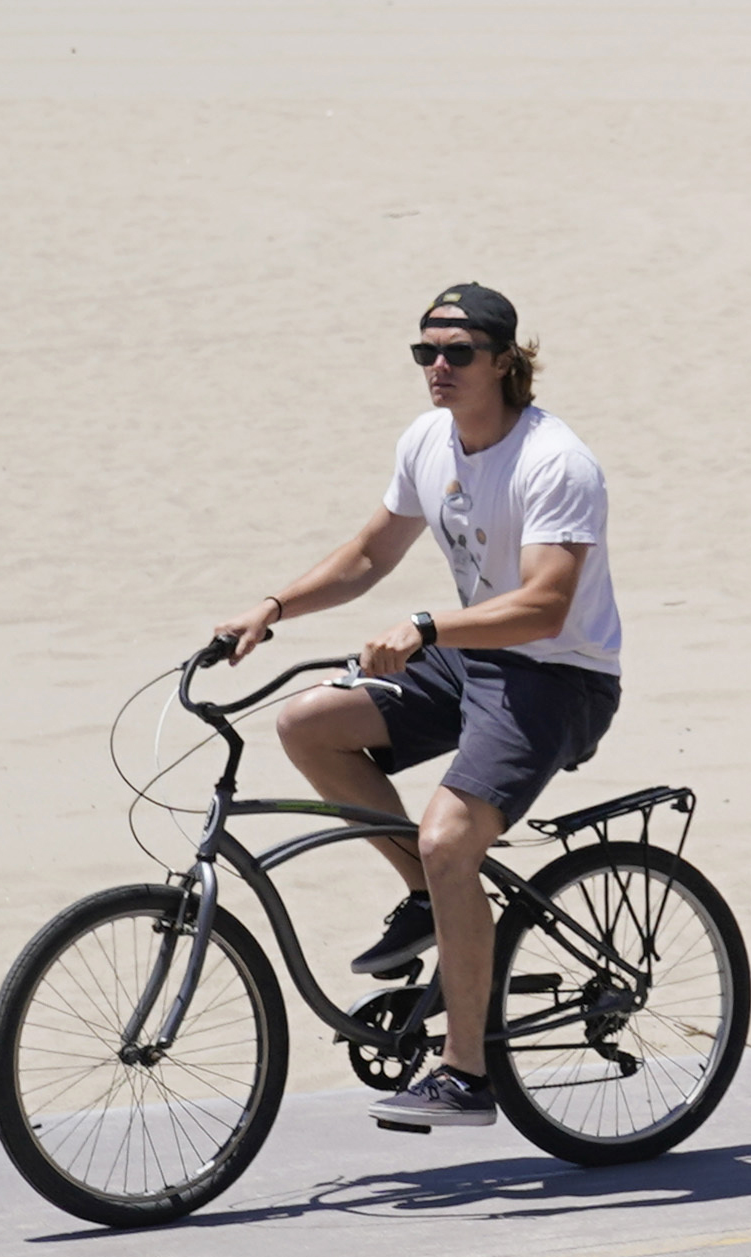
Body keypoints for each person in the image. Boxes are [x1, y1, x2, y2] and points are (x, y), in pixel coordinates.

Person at [215, 284, 626, 1134]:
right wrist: (273, 606)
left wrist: (429, 624)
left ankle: (469, 1073)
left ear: (506, 361)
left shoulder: (556, 463)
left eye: (458, 352)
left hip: (556, 676)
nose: (437, 368)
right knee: (305, 723)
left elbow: (547, 606)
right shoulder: (428, 442)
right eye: (425, 352)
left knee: (447, 837)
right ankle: (431, 898)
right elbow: (371, 552)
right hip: (470, 657)